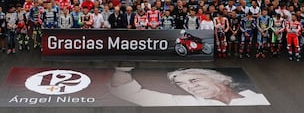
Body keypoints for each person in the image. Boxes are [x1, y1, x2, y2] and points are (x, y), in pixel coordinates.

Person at [110, 68, 270, 106]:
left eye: (193, 81)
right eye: (182, 85)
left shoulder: (259, 98)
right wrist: (123, 69)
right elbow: (130, 92)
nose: (189, 88)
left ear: (221, 79)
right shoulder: (186, 101)